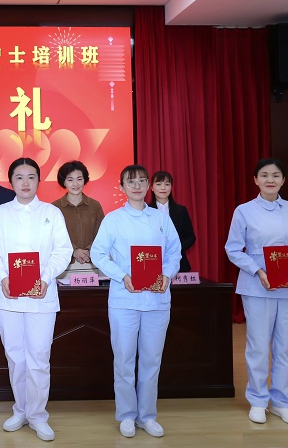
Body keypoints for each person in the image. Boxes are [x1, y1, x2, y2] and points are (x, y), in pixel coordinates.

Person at [0, 158, 73, 442]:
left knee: (39, 357)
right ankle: (20, 410)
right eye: (19, 177)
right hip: (7, 295)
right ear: (11, 182)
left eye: (31, 177)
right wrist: (2, 276)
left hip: (41, 295)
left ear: (39, 180)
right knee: (15, 356)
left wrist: (46, 278)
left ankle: (38, 415)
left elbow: (63, 250)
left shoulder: (51, 213)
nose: (25, 183)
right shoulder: (0, 213)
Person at [90, 164, 181, 439]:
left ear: (148, 185)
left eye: (142, 181)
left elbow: (174, 252)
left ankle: (147, 416)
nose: (137, 186)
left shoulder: (161, 218)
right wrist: (121, 275)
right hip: (124, 300)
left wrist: (167, 274)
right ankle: (127, 415)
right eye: (131, 182)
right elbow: (98, 254)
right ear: (122, 187)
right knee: (124, 359)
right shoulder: (113, 219)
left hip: (156, 299)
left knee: (152, 360)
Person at [225, 158, 288, 426]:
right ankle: (258, 400)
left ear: (283, 180)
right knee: (259, 346)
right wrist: (257, 270)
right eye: (264, 175)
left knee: (286, 346)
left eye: (276, 175)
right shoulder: (244, 211)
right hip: (257, 287)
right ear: (256, 180)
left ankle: (282, 402)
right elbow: (233, 249)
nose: (270, 180)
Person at [50, 160, 104, 273]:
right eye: (70, 180)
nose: (75, 184)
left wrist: (89, 251)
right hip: (63, 266)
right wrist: (74, 251)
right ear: (64, 182)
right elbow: (52, 238)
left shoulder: (95, 206)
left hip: (92, 264)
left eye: (79, 179)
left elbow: (102, 235)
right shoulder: (54, 208)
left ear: (85, 180)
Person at [147, 171, 196, 272]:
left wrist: (175, 249)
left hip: (178, 263)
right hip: (151, 263)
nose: (163, 188)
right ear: (151, 188)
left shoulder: (181, 210)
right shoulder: (145, 211)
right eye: (158, 184)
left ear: (171, 187)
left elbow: (190, 237)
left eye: (167, 184)